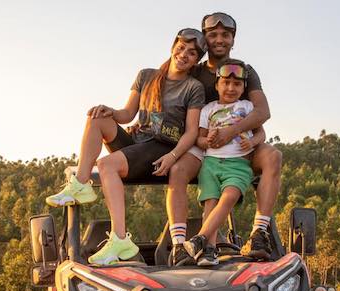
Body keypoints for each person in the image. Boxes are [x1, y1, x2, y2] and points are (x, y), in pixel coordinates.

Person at [46, 29, 206, 265]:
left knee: (106, 165)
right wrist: (110, 111)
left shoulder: (193, 88)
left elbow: (192, 131)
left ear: (196, 60)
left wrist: (173, 157)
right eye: (181, 48)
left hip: (161, 146)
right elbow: (127, 114)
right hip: (137, 139)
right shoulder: (146, 76)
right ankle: (80, 183)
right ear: (173, 47)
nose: (184, 55)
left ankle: (120, 238)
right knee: (96, 117)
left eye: (192, 53)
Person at [166, 12, 282, 265]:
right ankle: (180, 246)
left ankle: (260, 232)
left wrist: (232, 133)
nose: (219, 40)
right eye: (212, 34)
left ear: (233, 39)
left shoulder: (243, 70)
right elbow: (168, 99)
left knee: (273, 156)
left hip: (238, 141)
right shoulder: (194, 71)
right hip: (202, 140)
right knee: (177, 170)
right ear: (204, 40)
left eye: (225, 35)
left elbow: (263, 112)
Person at [184, 60, 265, 265]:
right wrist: (206, 140)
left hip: (238, 163)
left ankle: (199, 239)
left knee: (228, 197)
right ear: (217, 85)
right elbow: (199, 139)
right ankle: (207, 252)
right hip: (210, 163)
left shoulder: (247, 107)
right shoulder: (207, 109)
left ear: (243, 87)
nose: (231, 88)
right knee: (210, 204)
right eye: (226, 83)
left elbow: (261, 133)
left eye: (237, 84)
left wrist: (252, 142)